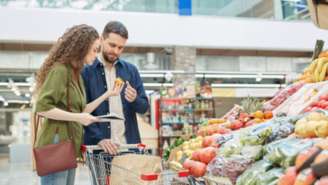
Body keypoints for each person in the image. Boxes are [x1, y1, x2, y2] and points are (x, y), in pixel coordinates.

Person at [33, 24, 123, 185]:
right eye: (95, 50)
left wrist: (107, 95)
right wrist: (78, 117)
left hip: (69, 144)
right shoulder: (60, 70)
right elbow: (42, 107)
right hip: (57, 143)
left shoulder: (76, 74)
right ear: (82, 47)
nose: (96, 55)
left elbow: (82, 110)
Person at [82, 21, 149, 154]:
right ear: (101, 39)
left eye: (121, 47)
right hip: (100, 148)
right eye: (112, 45)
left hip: (128, 146)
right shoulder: (87, 72)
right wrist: (98, 139)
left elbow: (144, 108)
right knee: (102, 176)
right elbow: (82, 111)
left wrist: (135, 99)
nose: (116, 51)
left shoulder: (131, 71)